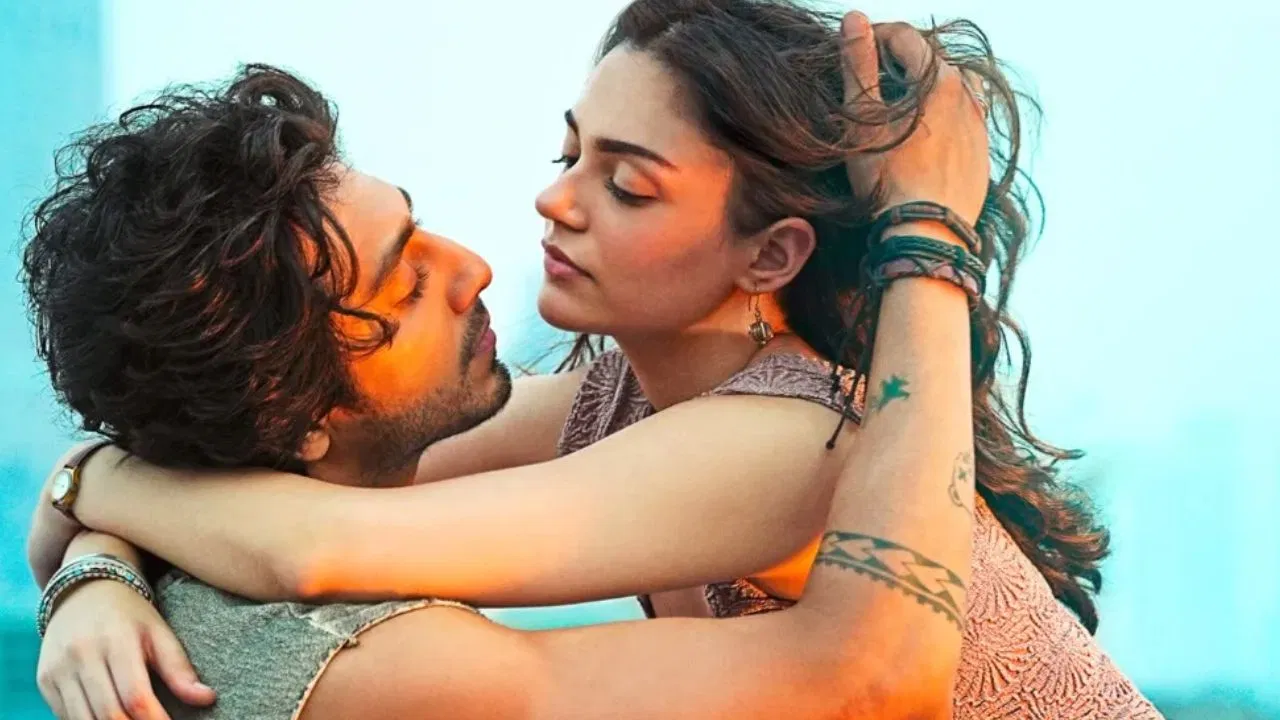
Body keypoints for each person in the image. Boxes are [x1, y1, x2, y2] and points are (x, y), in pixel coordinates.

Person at [28, 2, 1160, 719]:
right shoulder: (617, 404)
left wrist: (95, 491)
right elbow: (254, 465)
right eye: (569, 152)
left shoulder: (793, 437)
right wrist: (97, 571)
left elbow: (319, 546)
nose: (553, 202)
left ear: (770, 254)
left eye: (625, 184)